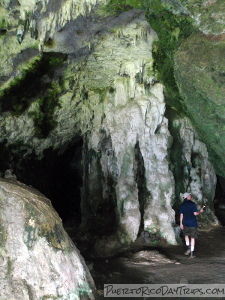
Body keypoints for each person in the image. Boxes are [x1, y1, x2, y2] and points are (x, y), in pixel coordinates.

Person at [180, 193, 205, 258]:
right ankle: (191, 253)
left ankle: (188, 247)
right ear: (187, 197)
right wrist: (200, 211)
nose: (191, 196)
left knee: (186, 236)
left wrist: (181, 223)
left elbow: (181, 215)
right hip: (193, 223)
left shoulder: (182, 205)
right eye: (190, 196)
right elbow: (195, 213)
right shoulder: (192, 204)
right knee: (193, 238)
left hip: (185, 223)